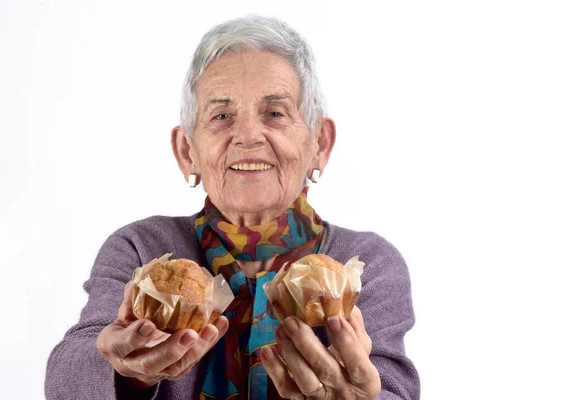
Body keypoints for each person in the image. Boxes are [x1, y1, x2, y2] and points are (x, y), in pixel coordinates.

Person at [45, 15, 420, 400]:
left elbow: (394, 389)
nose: (247, 136)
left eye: (275, 113)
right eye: (221, 116)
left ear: (319, 144)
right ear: (186, 151)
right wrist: (127, 372)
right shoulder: (143, 250)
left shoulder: (365, 265)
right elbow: (65, 377)